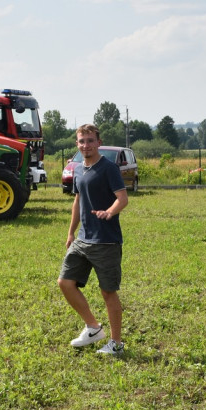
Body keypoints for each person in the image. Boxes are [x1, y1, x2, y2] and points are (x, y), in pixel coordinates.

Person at [58, 124, 129, 356]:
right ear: (77, 145)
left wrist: (110, 211)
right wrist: (71, 232)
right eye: (81, 141)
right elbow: (77, 202)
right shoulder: (78, 169)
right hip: (82, 239)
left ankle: (116, 344)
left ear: (98, 142)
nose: (86, 145)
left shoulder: (108, 168)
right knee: (65, 282)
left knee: (107, 292)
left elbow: (122, 198)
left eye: (90, 141)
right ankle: (93, 327)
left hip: (105, 241)